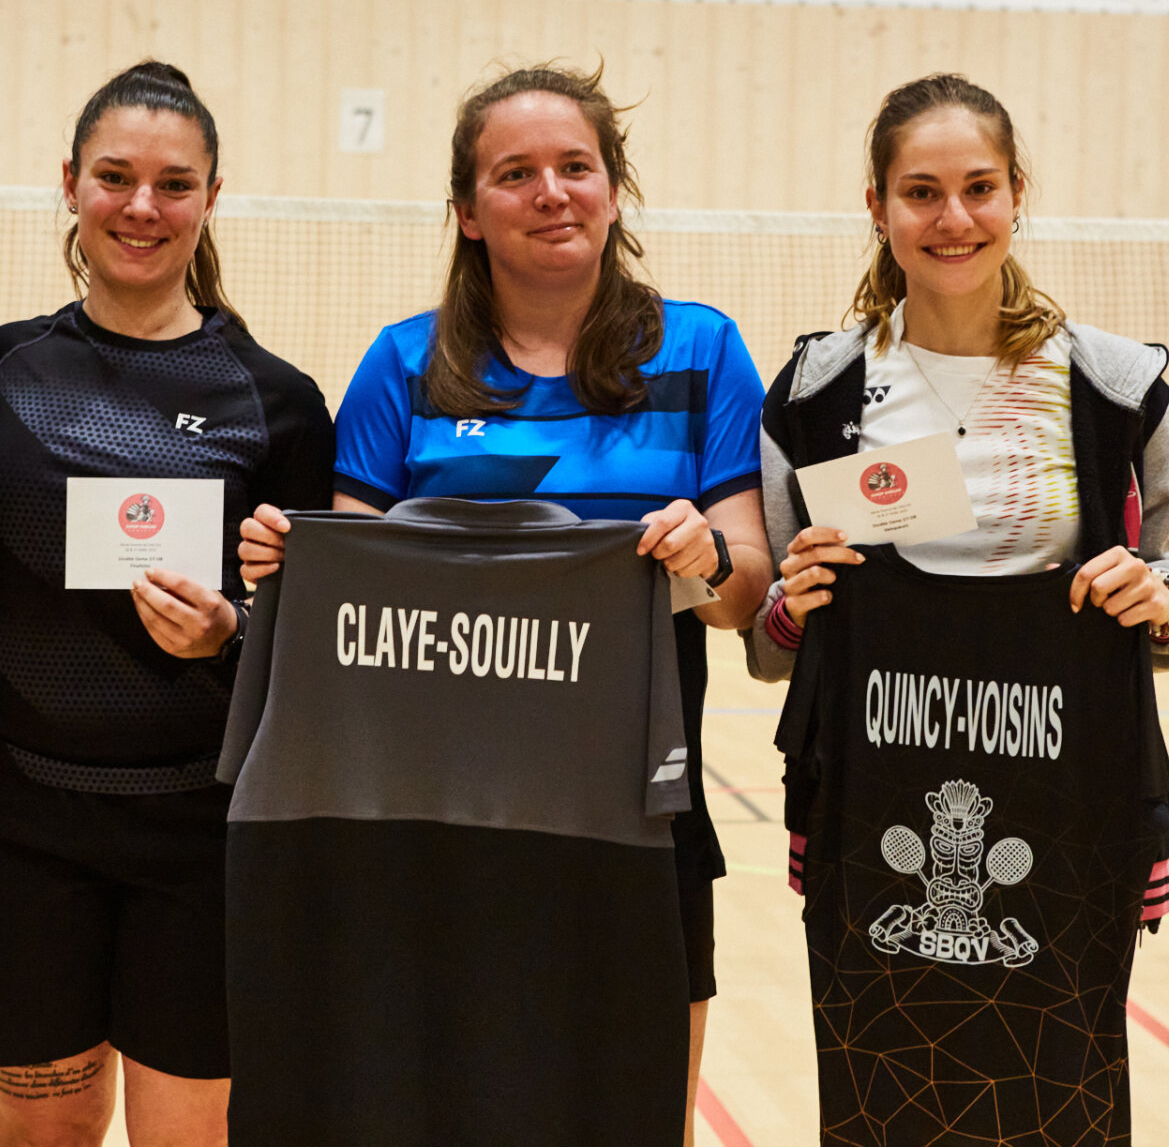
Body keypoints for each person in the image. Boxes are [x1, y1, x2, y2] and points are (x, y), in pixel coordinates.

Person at [238, 62, 773, 1146]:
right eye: (516, 173)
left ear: (613, 188)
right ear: (469, 211)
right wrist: (286, 559)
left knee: (627, 1112)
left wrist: (707, 554)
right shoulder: (406, 364)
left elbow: (746, 591)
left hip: (633, 811)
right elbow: (349, 584)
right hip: (432, 812)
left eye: (576, 166)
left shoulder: (702, 350)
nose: (551, 192)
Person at [0, 61, 335, 1146]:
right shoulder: (4, 365)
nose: (142, 207)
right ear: (71, 182)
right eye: (115, 177)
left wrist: (231, 629)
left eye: (174, 183)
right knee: (44, 1132)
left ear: (212, 196)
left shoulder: (278, 400)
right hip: (19, 818)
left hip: (201, 828)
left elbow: (310, 630)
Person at [743, 71, 1169, 675]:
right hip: (870, 729)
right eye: (922, 193)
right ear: (878, 208)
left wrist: (1161, 601)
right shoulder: (813, 392)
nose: (955, 219)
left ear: (1016, 194)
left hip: (1063, 727)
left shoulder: (1120, 387)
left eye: (980, 188)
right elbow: (768, 648)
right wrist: (791, 612)